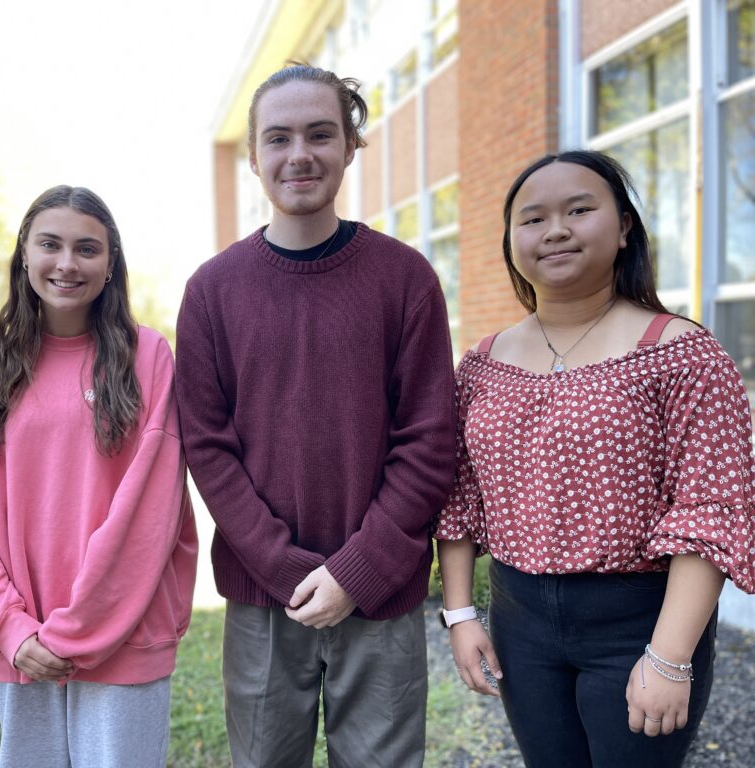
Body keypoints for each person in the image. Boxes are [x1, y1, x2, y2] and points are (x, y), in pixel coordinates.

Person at [435, 149, 755, 768]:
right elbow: (459, 492)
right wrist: (460, 615)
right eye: (532, 219)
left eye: (579, 210)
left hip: (638, 621)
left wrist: (669, 656)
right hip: (519, 621)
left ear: (624, 226)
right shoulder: (481, 363)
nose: (555, 229)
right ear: (511, 239)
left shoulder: (681, 355)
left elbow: (712, 513)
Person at [176, 64, 456, 767]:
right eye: (278, 138)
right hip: (264, 598)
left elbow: (428, 442)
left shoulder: (405, 278)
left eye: (319, 134)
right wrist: (285, 566)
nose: (299, 154)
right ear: (254, 158)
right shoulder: (212, 291)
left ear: (351, 144)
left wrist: (354, 572)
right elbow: (207, 448)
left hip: (381, 595)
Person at [0, 185, 197, 768]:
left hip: (128, 634)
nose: (67, 264)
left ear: (111, 264)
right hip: (22, 645)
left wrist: (77, 629)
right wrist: (10, 628)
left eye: (87, 249)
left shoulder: (147, 359)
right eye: (50, 245)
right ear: (24, 254)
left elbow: (148, 514)